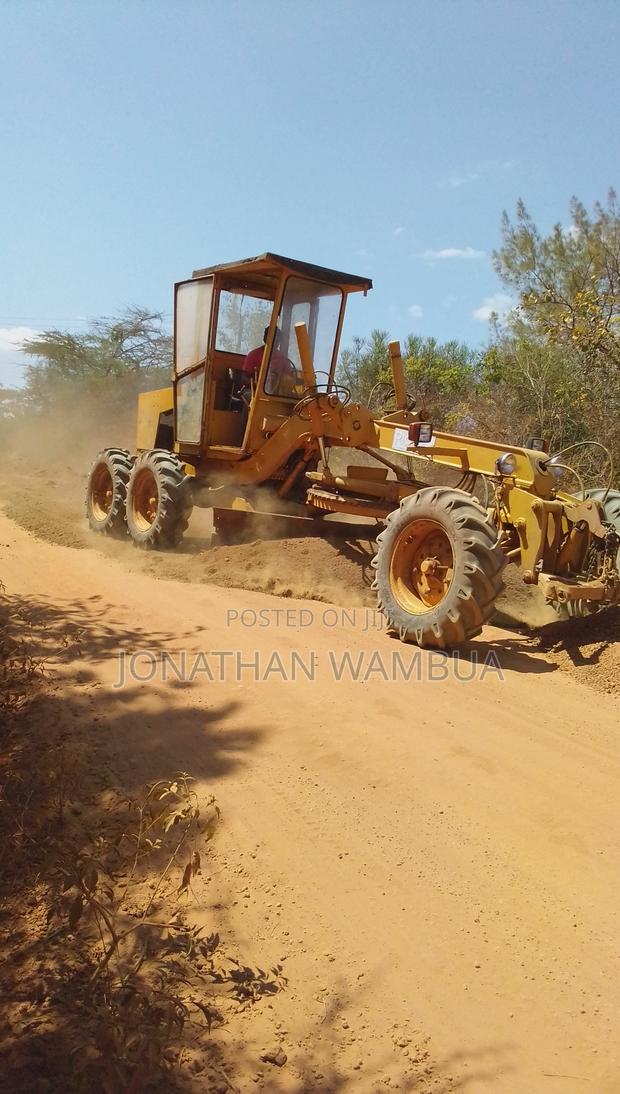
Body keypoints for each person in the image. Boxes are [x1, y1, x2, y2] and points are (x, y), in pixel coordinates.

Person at [241, 326, 295, 392]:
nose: (275, 342)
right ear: (265, 338)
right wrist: (257, 385)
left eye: (277, 339)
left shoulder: (282, 357)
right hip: (255, 392)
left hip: (277, 394)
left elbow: (290, 376)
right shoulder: (254, 355)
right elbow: (243, 377)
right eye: (273, 338)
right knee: (248, 395)